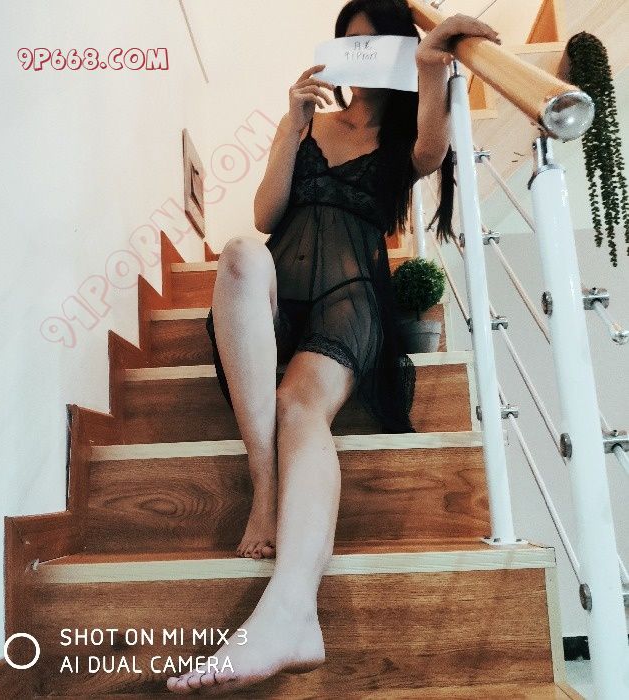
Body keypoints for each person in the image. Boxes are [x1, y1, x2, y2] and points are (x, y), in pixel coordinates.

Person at [168, 0, 501, 694]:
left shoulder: (408, 135)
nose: (360, 58)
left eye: (374, 45)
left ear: (397, 52)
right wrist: (291, 125)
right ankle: (266, 485)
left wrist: (431, 62)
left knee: (299, 407)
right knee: (239, 251)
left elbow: (432, 152)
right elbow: (266, 214)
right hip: (278, 292)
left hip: (350, 302)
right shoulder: (311, 121)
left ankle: (290, 610)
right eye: (349, 44)